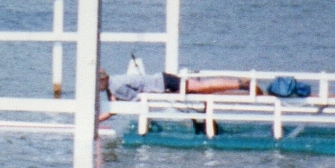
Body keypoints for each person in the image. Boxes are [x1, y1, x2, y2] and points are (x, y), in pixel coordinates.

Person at [100, 68, 250, 102]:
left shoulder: (115, 87)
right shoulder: (114, 82)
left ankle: (239, 84)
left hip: (164, 84)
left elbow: (137, 99)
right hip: (163, 80)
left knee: (201, 86)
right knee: (202, 89)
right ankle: (238, 86)